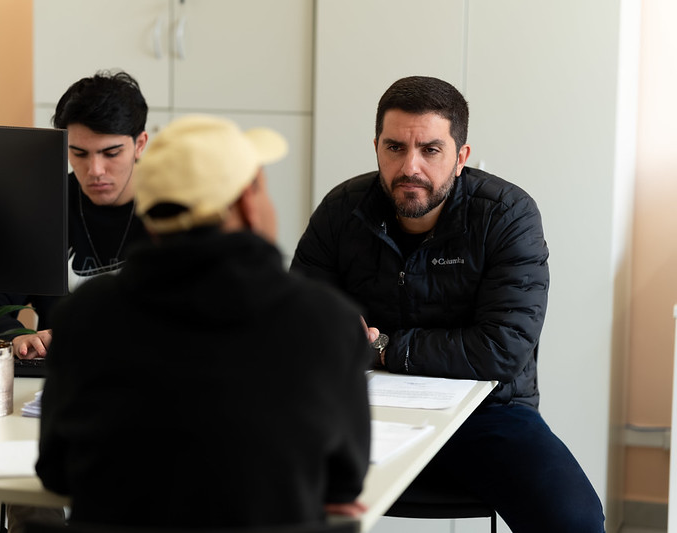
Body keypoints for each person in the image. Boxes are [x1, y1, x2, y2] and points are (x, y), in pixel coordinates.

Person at [290, 76, 605, 532]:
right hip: (357, 407)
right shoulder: (342, 209)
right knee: (243, 477)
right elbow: (297, 325)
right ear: (376, 147)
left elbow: (502, 349)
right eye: (394, 147)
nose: (410, 167)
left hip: (488, 414)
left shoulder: (507, 215)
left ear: (461, 158)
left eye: (430, 150)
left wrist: (382, 349)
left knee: (574, 519)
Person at [35, 115, 373, 528]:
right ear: (248, 203)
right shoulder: (327, 322)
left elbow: (56, 471)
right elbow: (343, 484)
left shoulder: (83, 316)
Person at [0, 70, 150, 359]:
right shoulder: (42, 208)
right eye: (79, 154)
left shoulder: (178, 211)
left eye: (111, 153)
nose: (95, 170)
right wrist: (17, 337)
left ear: (140, 144)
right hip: (63, 374)